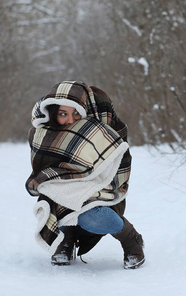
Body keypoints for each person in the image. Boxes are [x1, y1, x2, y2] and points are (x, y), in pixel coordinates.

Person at [25, 81, 145, 269]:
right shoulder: (43, 135)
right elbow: (44, 173)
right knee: (56, 195)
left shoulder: (101, 132)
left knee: (92, 216)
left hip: (98, 188)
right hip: (62, 192)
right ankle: (66, 239)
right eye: (63, 114)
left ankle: (131, 238)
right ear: (53, 113)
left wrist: (89, 180)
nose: (71, 120)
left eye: (76, 113)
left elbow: (117, 166)